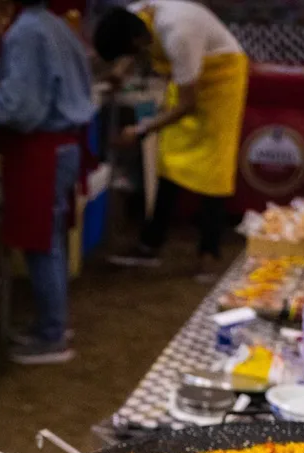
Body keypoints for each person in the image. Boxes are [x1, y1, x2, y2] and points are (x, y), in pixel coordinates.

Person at [93, 1, 249, 278]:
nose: (137, 57)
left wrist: (141, 130)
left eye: (132, 52)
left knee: (213, 169)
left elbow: (188, 103)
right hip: (188, 76)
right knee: (168, 160)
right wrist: (119, 73)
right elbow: (133, 48)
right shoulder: (136, 14)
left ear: (138, 40)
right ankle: (150, 244)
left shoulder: (178, 34)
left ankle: (209, 253)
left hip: (221, 76)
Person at [0, 0, 93, 365]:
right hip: (63, 144)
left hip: (41, 148)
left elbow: (20, 109)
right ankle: (53, 324)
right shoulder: (54, 24)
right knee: (52, 238)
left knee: (42, 243)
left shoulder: (27, 32)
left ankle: (52, 335)